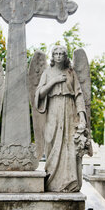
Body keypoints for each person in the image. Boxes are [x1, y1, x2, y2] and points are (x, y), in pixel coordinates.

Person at [35, 45, 86, 192]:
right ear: (52, 56)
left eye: (61, 54)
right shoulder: (47, 72)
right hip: (53, 109)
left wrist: (82, 116)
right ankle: (52, 181)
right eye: (56, 53)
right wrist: (54, 81)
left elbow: (78, 95)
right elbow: (40, 94)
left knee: (69, 144)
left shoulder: (71, 73)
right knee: (51, 141)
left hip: (70, 110)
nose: (58, 56)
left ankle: (69, 182)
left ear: (65, 56)